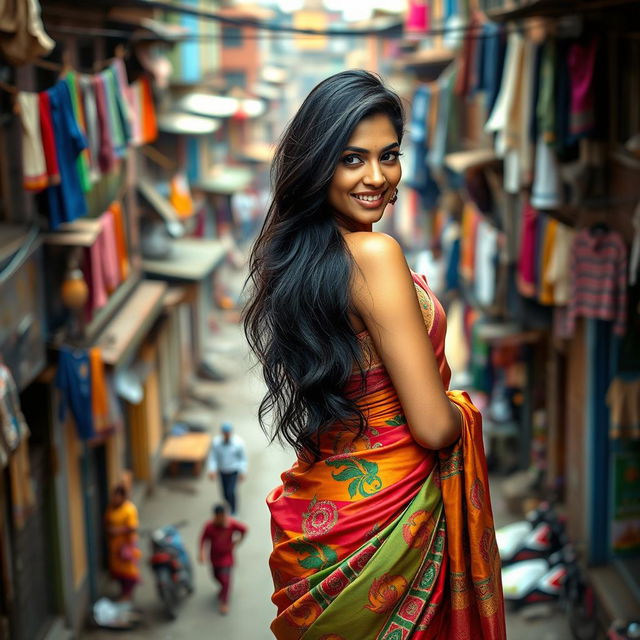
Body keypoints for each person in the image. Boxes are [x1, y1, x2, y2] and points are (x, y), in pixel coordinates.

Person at [244, 70, 506, 638]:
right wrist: (459, 406)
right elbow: (435, 427)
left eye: (388, 155)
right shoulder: (374, 255)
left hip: (328, 514)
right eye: (352, 159)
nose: (377, 177)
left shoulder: (304, 263)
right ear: (319, 166)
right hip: (388, 524)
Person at [198, 503, 248, 614]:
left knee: (225, 580)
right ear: (215, 516)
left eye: (223, 516)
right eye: (218, 517)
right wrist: (201, 553)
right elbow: (203, 539)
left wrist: (238, 541)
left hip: (227, 557)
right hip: (214, 557)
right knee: (216, 577)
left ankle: (224, 602)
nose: (221, 519)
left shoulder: (231, 524)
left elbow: (244, 529)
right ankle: (222, 589)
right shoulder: (209, 526)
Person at [104, 483, 142, 602]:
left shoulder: (129, 509)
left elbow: (133, 526)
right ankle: (123, 593)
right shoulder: (111, 508)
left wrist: (117, 530)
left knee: (128, 571)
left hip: (126, 545)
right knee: (119, 571)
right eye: (113, 496)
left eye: (117, 496)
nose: (115, 499)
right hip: (115, 546)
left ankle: (127, 594)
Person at [207, 422, 247, 514]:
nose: (226, 434)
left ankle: (233, 510)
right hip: (222, 471)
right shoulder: (216, 443)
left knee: (231, 492)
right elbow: (213, 457)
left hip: (233, 471)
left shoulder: (238, 443)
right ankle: (227, 507)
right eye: (225, 433)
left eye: (228, 432)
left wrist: (242, 471)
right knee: (224, 493)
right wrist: (212, 470)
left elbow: (243, 458)